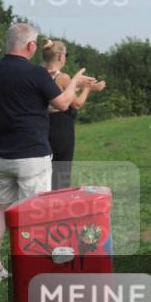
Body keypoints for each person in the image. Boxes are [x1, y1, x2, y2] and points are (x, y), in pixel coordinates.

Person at [0, 24, 96, 282]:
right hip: (31, 156)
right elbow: (62, 103)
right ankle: (34, 268)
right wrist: (76, 83)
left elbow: (21, 108)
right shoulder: (36, 73)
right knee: (35, 213)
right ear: (30, 46)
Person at [42, 40, 107, 190]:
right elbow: (76, 103)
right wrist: (89, 89)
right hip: (60, 127)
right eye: (66, 54)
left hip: (42, 124)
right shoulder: (62, 77)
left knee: (46, 169)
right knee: (62, 169)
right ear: (60, 57)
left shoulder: (39, 73)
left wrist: (79, 85)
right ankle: (59, 201)